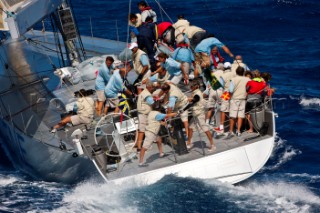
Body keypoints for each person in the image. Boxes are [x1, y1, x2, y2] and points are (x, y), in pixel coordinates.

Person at [139, 102, 177, 166]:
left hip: (152, 131)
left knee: (159, 140)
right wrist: (176, 113)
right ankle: (140, 162)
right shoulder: (157, 114)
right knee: (145, 147)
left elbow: (156, 121)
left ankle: (161, 153)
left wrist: (164, 124)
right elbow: (167, 116)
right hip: (151, 132)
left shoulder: (151, 113)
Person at [187, 80, 216, 151]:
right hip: (195, 114)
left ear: (195, 86)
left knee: (205, 129)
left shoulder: (198, 93)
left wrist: (185, 99)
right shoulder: (194, 92)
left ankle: (212, 145)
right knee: (190, 127)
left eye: (191, 86)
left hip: (199, 114)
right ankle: (189, 143)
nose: (190, 87)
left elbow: (193, 100)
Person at [226, 66, 250, 137]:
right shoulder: (247, 79)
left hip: (235, 99)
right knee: (240, 116)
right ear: (243, 72)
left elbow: (230, 90)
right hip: (243, 99)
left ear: (236, 72)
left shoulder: (233, 79)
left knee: (233, 116)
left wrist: (228, 97)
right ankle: (238, 131)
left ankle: (231, 131)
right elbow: (248, 89)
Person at [136, 82, 155, 152]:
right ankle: (139, 147)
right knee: (142, 130)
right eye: (152, 87)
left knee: (142, 129)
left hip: (141, 113)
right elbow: (152, 103)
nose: (153, 89)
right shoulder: (147, 94)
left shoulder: (143, 92)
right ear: (149, 87)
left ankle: (139, 145)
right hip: (144, 114)